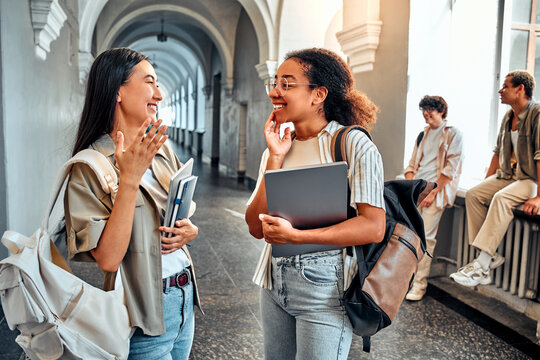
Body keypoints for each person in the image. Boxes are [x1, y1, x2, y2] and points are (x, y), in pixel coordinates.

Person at [244, 48, 386, 360]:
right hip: (273, 284)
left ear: (318, 94)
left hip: (325, 292)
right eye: (275, 82)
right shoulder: (277, 149)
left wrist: (299, 237)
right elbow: (255, 227)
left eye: (287, 84)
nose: (275, 92)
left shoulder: (352, 144)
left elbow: (373, 227)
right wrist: (275, 160)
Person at [65, 48, 201, 360]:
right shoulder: (90, 166)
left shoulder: (161, 149)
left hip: (183, 300)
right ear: (117, 92)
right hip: (140, 310)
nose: (159, 94)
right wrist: (129, 179)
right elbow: (109, 260)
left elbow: (180, 214)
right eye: (150, 82)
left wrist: (189, 231)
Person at [450, 70, 539, 287]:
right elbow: (498, 153)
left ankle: (481, 265)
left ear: (520, 89)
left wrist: (538, 198)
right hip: (510, 175)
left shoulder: (537, 113)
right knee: (473, 194)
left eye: (505, 86)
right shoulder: (508, 117)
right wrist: (485, 182)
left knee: (501, 199)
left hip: (531, 180)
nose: (501, 90)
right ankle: (489, 257)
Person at [403, 95, 463, 301]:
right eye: (424, 109)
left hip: (434, 194)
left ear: (441, 111)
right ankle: (406, 281)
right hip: (416, 192)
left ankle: (419, 285)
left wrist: (432, 192)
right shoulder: (422, 135)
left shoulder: (453, 134)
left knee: (426, 239)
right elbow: (411, 165)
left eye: (430, 109)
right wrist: (411, 187)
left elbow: (450, 170)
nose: (426, 113)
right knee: (408, 237)